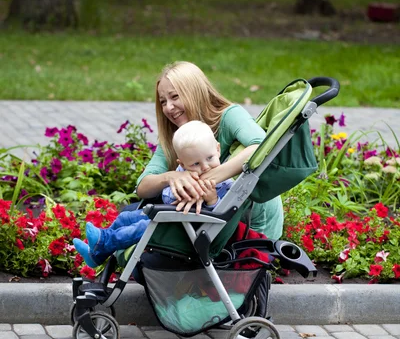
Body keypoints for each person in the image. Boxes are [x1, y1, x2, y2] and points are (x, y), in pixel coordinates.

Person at [136, 61, 284, 239]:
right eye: (163, 101)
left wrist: (203, 183)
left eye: (174, 97)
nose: (168, 107)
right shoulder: (178, 138)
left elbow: (262, 146)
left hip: (254, 226)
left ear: (194, 92)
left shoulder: (229, 116)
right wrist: (171, 177)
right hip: (211, 225)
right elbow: (143, 187)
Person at [73, 121, 233, 267]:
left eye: (210, 158)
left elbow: (223, 216)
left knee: (140, 227)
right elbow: (166, 197)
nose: (205, 167)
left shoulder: (225, 182)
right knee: (125, 217)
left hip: (186, 228)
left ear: (217, 149)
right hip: (168, 216)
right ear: (182, 164)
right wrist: (180, 192)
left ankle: (103, 241)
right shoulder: (183, 173)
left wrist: (212, 199)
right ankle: (97, 253)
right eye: (196, 164)